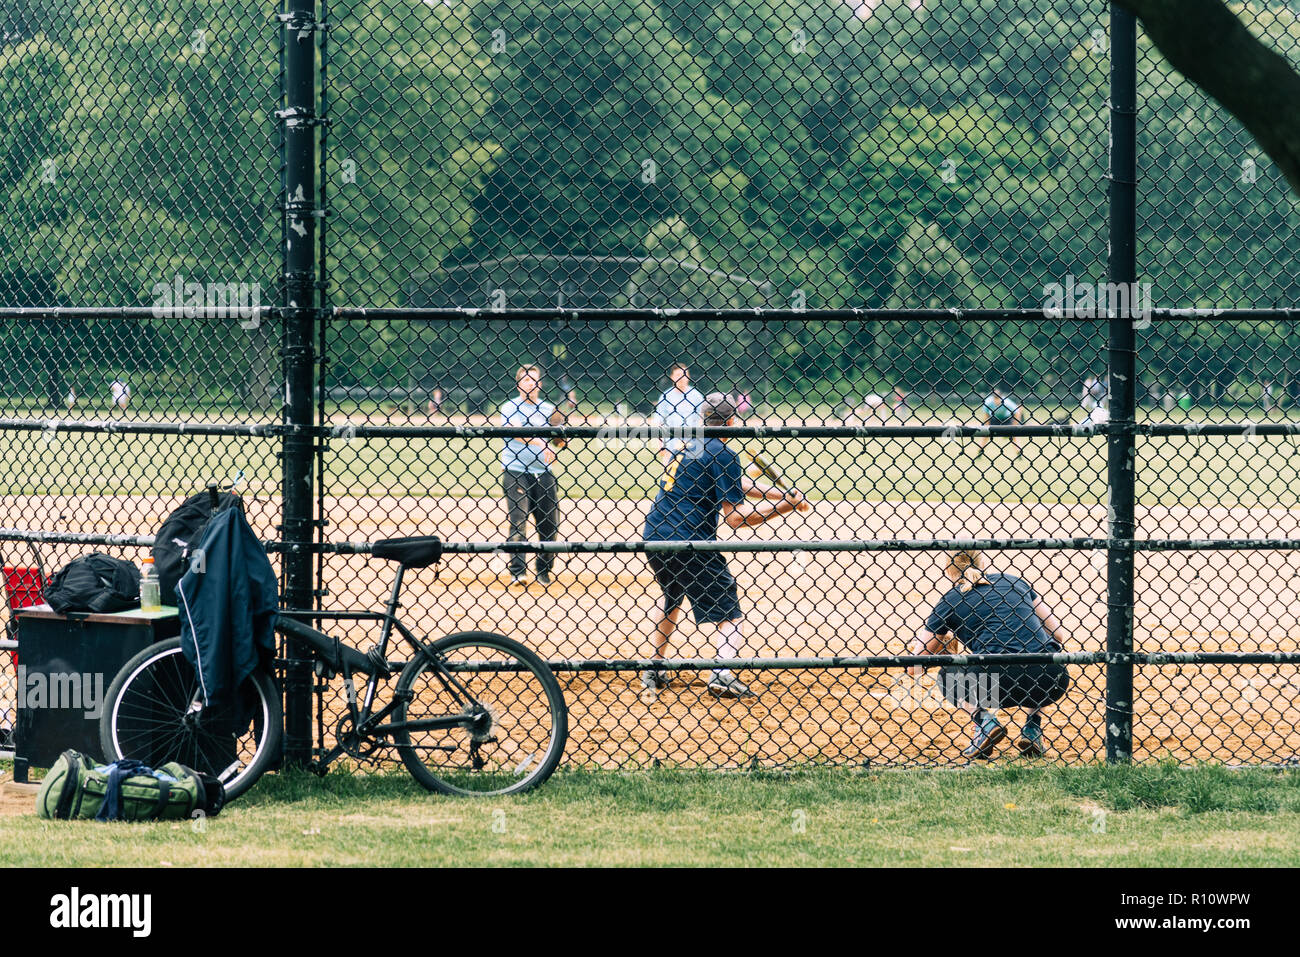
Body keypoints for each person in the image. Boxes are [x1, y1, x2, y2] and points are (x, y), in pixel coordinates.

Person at [641, 393, 806, 699]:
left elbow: (733, 483)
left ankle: (655, 665)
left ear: (704, 419)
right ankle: (722, 673)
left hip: (655, 535)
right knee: (728, 609)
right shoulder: (725, 453)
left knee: (673, 596)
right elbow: (735, 519)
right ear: (732, 421)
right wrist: (784, 507)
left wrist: (778, 495)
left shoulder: (688, 444)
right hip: (690, 540)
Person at [908, 550, 1071, 759]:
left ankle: (984, 722)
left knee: (947, 673)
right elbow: (1057, 634)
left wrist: (942, 649)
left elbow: (914, 667)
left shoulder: (950, 600)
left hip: (995, 685)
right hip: (1051, 680)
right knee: (1039, 649)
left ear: (947, 570)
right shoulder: (1014, 582)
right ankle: (1032, 729)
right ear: (983, 563)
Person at [500, 364, 561, 587]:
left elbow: (559, 439)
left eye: (534, 379)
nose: (530, 383)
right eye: (525, 380)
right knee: (519, 521)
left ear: (540, 384)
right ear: (518, 385)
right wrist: (543, 443)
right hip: (515, 470)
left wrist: (562, 439)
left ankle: (544, 570)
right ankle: (518, 571)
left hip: (543, 472)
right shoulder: (509, 407)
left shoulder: (548, 409)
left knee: (549, 525)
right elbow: (517, 433)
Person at [652, 362, 704, 466]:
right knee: (669, 474)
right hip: (671, 443)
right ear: (672, 377)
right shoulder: (666, 397)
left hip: (692, 442)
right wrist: (661, 443)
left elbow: (702, 418)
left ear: (688, 376)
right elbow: (659, 421)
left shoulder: (696, 396)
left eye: (684, 374)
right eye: (678, 375)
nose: (681, 378)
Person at [977, 388, 1023, 456]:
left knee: (1013, 435)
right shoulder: (988, 402)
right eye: (995, 398)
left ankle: (1019, 452)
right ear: (993, 398)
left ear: (1001, 397)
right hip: (994, 419)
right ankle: (980, 450)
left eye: (998, 398)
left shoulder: (1006, 402)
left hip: (1006, 419)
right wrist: (987, 426)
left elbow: (1017, 412)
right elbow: (986, 415)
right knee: (985, 434)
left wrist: (1014, 426)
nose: (996, 401)